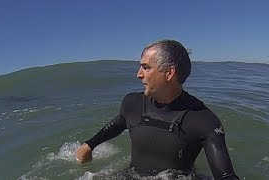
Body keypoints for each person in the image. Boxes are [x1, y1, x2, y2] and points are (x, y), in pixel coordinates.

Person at [75, 39, 239, 179]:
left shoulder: (204, 120)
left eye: (146, 67)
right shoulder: (132, 102)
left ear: (169, 73)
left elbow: (226, 176)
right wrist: (89, 145)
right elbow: (119, 123)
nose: (139, 74)